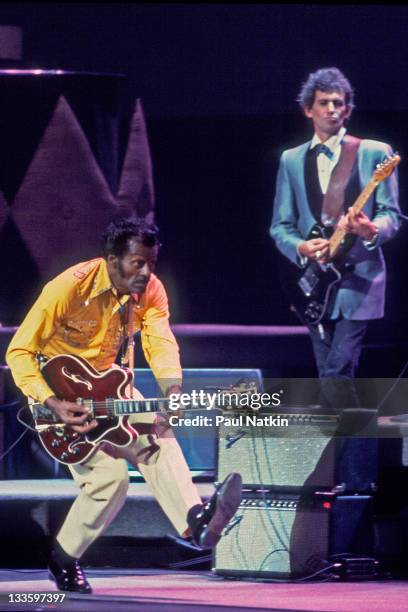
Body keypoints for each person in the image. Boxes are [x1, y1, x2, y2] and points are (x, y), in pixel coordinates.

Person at [6, 217, 242, 593]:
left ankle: (196, 520)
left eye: (152, 263)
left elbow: (159, 340)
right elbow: (19, 351)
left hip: (112, 388)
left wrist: (172, 390)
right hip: (60, 401)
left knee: (159, 429)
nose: (147, 272)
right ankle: (64, 558)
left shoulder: (151, 291)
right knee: (109, 481)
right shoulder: (69, 287)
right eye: (138, 263)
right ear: (113, 260)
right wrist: (52, 401)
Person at [270, 67, 400, 411]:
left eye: (338, 103)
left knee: (337, 368)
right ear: (308, 109)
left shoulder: (373, 152)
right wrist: (300, 246)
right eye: (324, 102)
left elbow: (392, 215)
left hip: (361, 278)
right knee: (334, 376)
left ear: (348, 109)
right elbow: (280, 226)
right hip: (314, 281)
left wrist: (371, 230)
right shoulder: (291, 160)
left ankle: (333, 447)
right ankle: (349, 452)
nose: (332, 109)